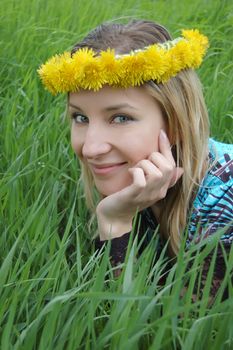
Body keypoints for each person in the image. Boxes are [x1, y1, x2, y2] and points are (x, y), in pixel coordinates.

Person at [38, 20, 233, 296]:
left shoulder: (225, 201)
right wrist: (116, 218)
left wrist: (115, 224)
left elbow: (168, 333)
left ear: (176, 123)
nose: (91, 148)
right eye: (80, 117)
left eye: (120, 118)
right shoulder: (135, 181)